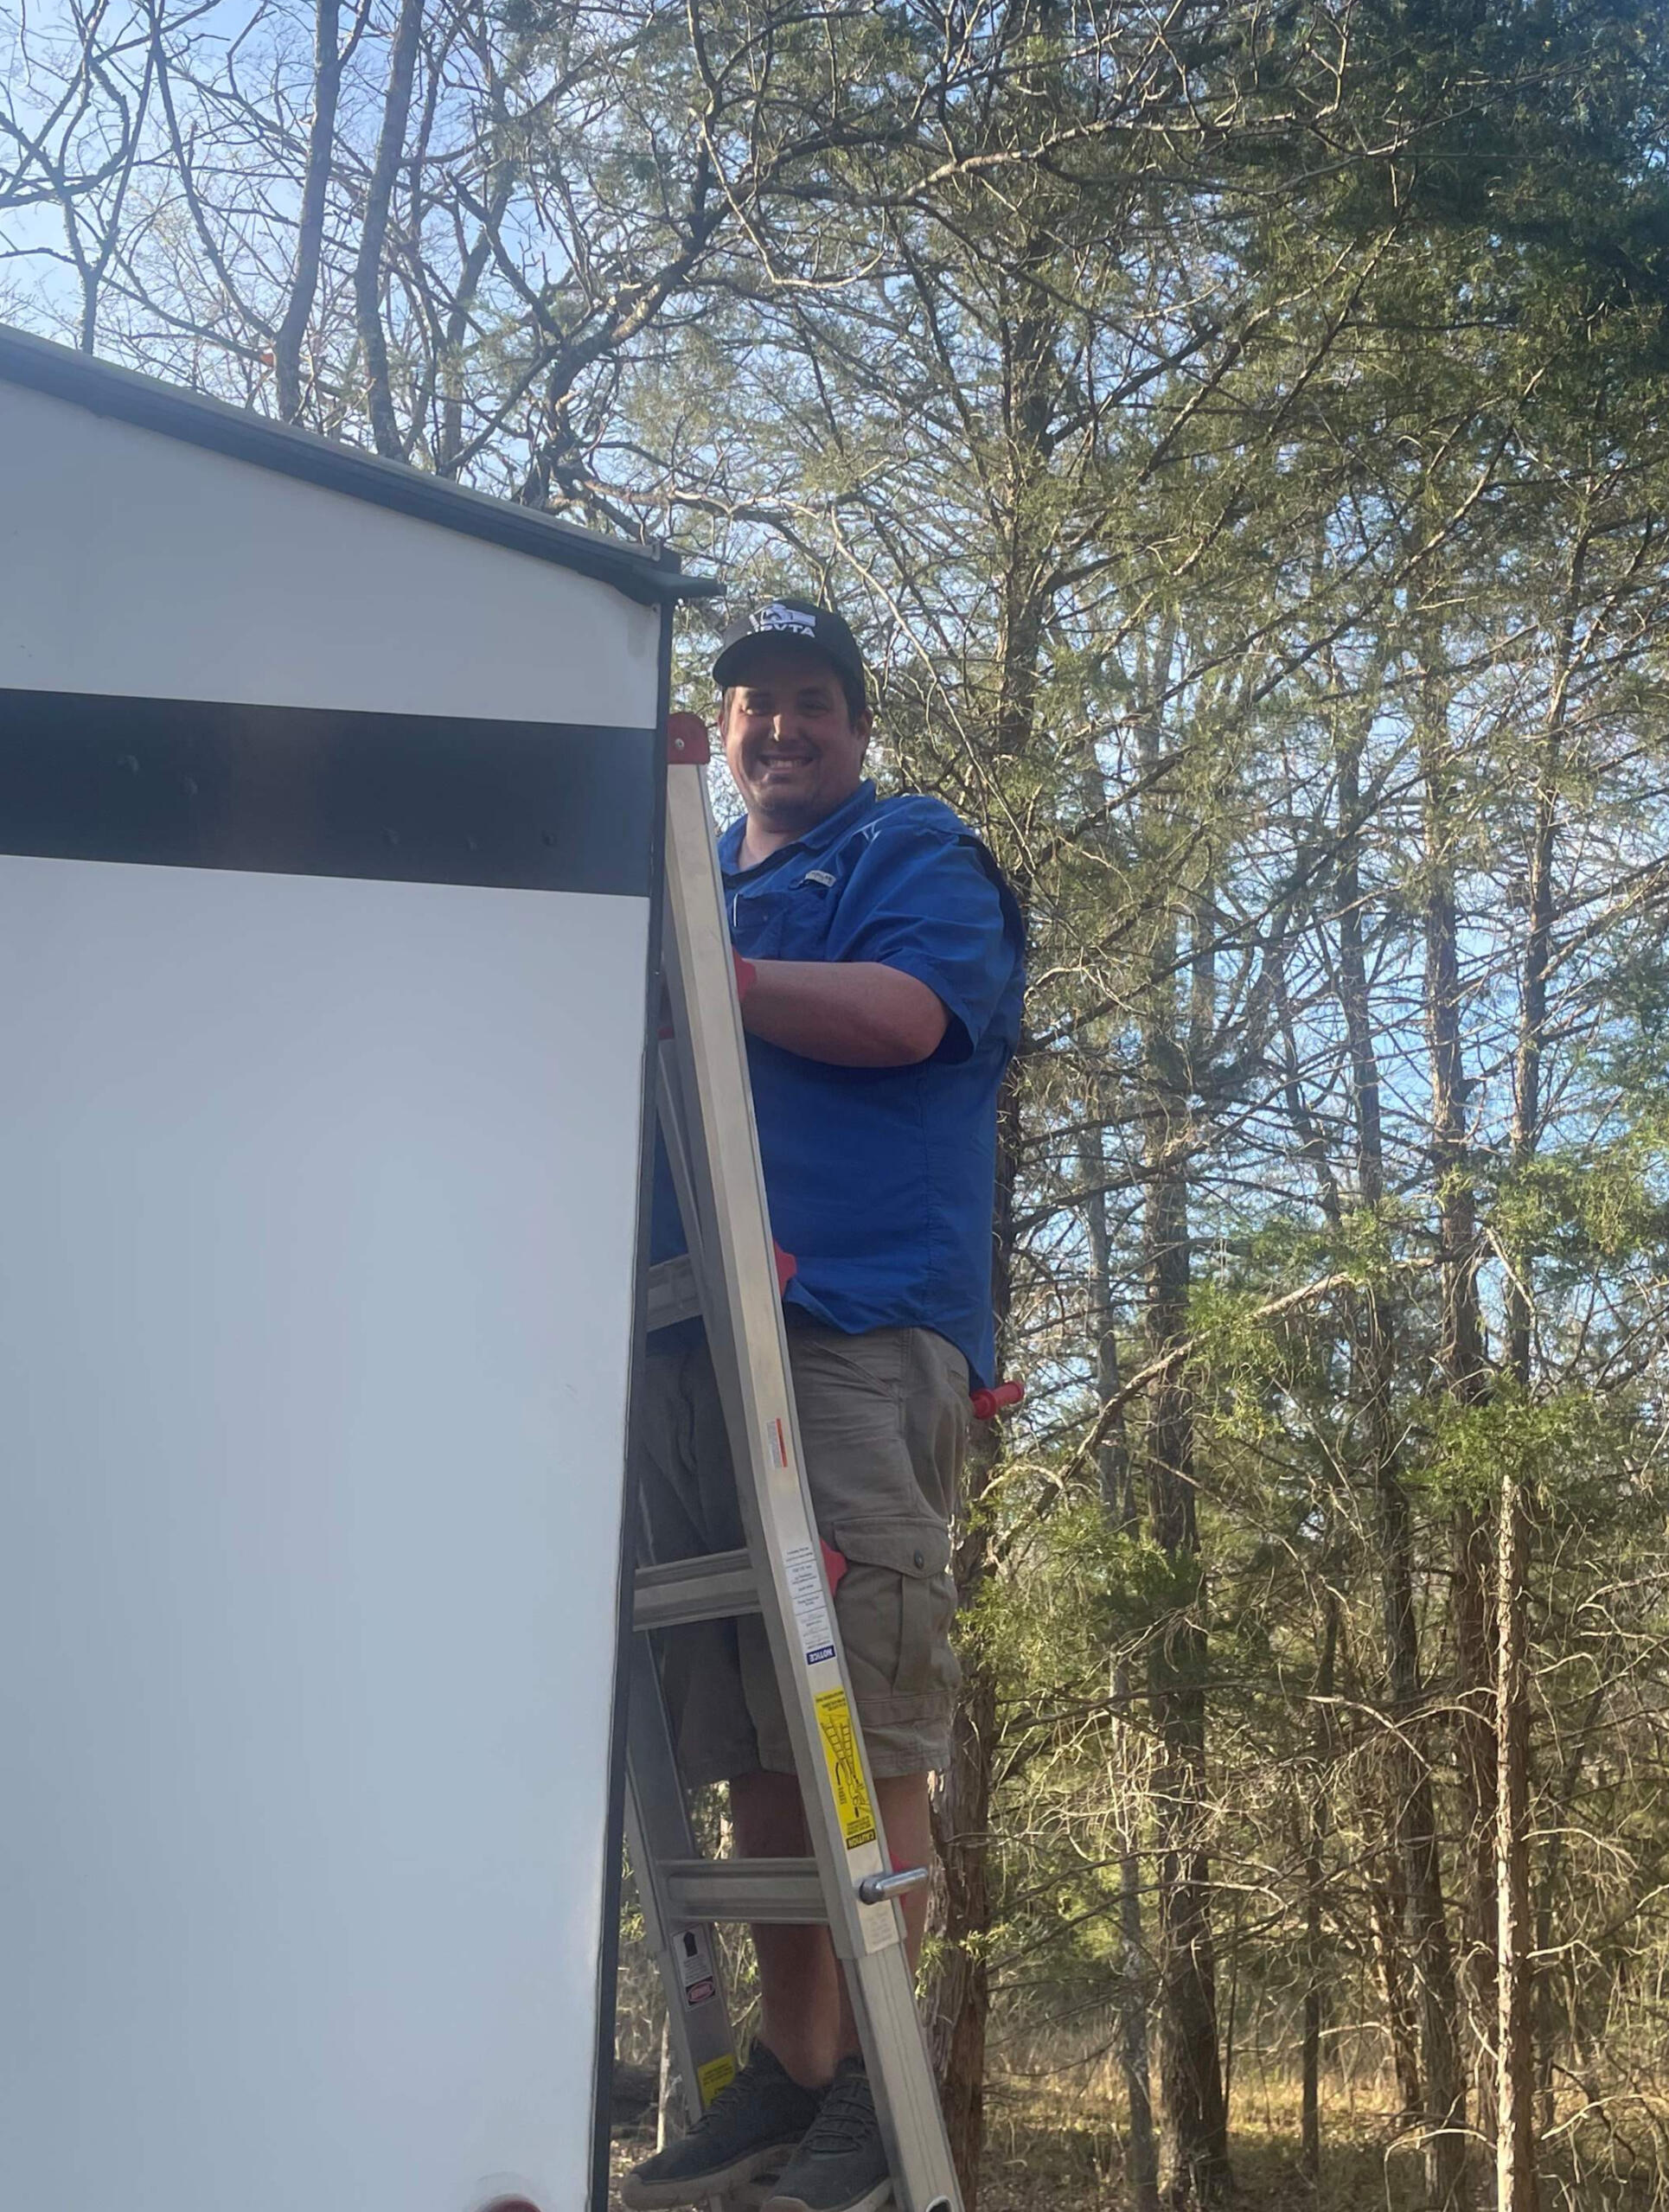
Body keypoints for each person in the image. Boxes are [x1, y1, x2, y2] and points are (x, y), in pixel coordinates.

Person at [622, 598, 1025, 2212]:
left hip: (846, 1321)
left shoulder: (905, 849)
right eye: (752, 705)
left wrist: (711, 974)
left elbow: (906, 1015)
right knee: (751, 1724)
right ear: (719, 733)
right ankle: (790, 2072)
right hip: (686, 1335)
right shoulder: (690, 870)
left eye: (811, 701)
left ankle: (873, 2069)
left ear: (854, 729)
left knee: (860, 1699)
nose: (778, 726)